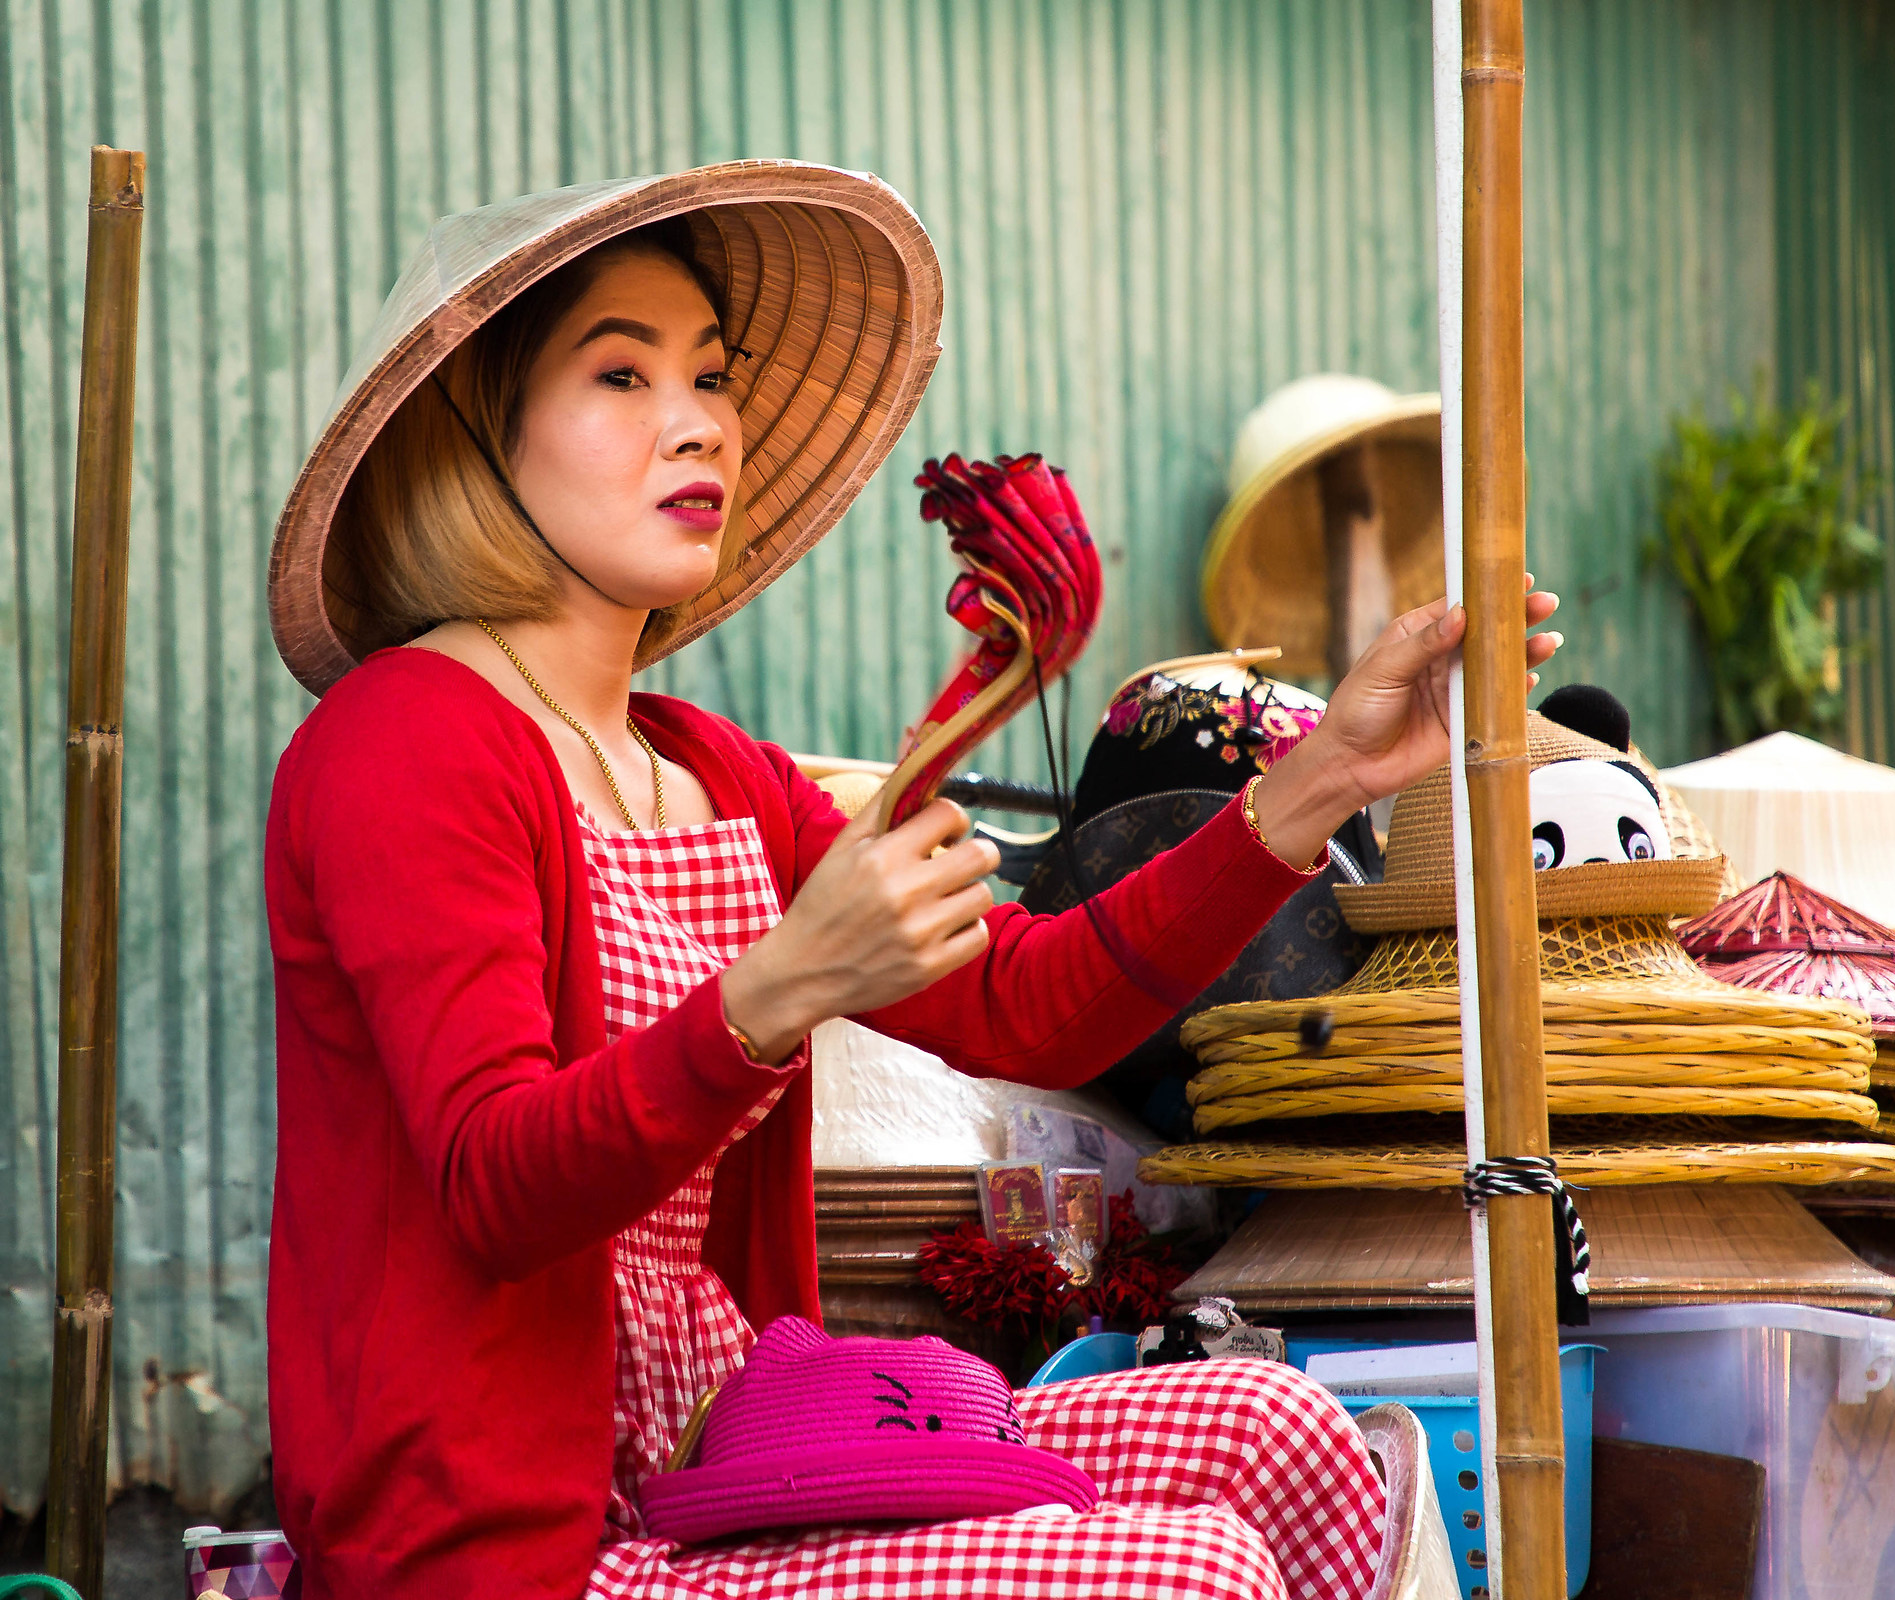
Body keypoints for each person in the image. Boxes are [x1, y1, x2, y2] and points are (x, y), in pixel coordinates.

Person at [261, 162, 1561, 1600]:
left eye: (709, 373)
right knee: (1179, 1570)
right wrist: (777, 992)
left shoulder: (715, 771)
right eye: (620, 375)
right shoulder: (401, 737)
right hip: (528, 1547)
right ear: (475, 441)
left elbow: (1029, 1011)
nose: (696, 420)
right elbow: (492, 1181)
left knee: (1282, 1434)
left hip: (728, 1457)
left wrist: (1318, 784)